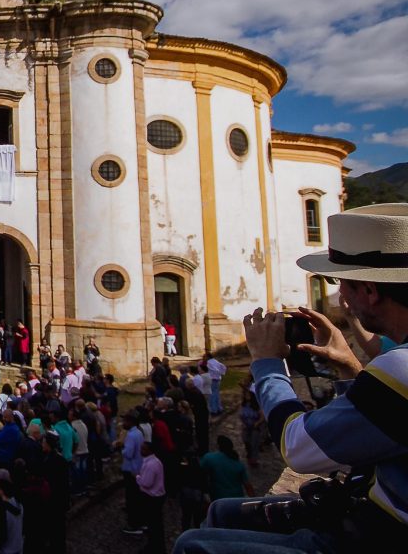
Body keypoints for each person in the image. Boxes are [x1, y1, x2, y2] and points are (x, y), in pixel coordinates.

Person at [175, 203, 408, 552]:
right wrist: (350, 369)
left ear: (371, 291)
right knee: (223, 512)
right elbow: (374, 426)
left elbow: (299, 447)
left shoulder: (398, 367)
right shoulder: (394, 367)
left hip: (380, 532)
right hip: (374, 513)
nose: (340, 295)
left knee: (194, 545)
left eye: (340, 281)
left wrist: (267, 363)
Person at [199, 436, 254, 501]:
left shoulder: (209, 458)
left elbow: (199, 473)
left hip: (218, 499)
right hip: (237, 499)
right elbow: (248, 486)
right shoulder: (238, 464)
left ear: (218, 445)